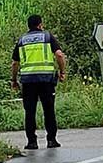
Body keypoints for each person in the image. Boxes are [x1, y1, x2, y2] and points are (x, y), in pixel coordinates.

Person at [11, 15, 66, 150]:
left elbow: (14, 63)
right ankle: (51, 140)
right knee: (49, 110)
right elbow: (59, 55)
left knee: (29, 112)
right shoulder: (47, 37)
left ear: (28, 26)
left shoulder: (22, 40)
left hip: (28, 81)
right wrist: (62, 72)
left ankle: (32, 142)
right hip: (46, 80)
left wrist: (13, 80)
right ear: (40, 25)